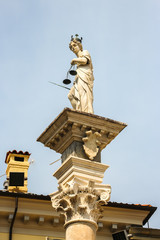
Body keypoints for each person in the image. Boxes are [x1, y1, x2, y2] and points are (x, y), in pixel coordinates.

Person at [68, 35, 94, 114]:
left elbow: (85, 60)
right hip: (79, 76)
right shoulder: (78, 62)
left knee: (83, 94)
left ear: (79, 45)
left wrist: (74, 60)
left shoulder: (84, 52)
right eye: (72, 47)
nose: (73, 48)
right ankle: (79, 111)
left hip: (85, 76)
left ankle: (85, 112)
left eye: (75, 45)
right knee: (71, 95)